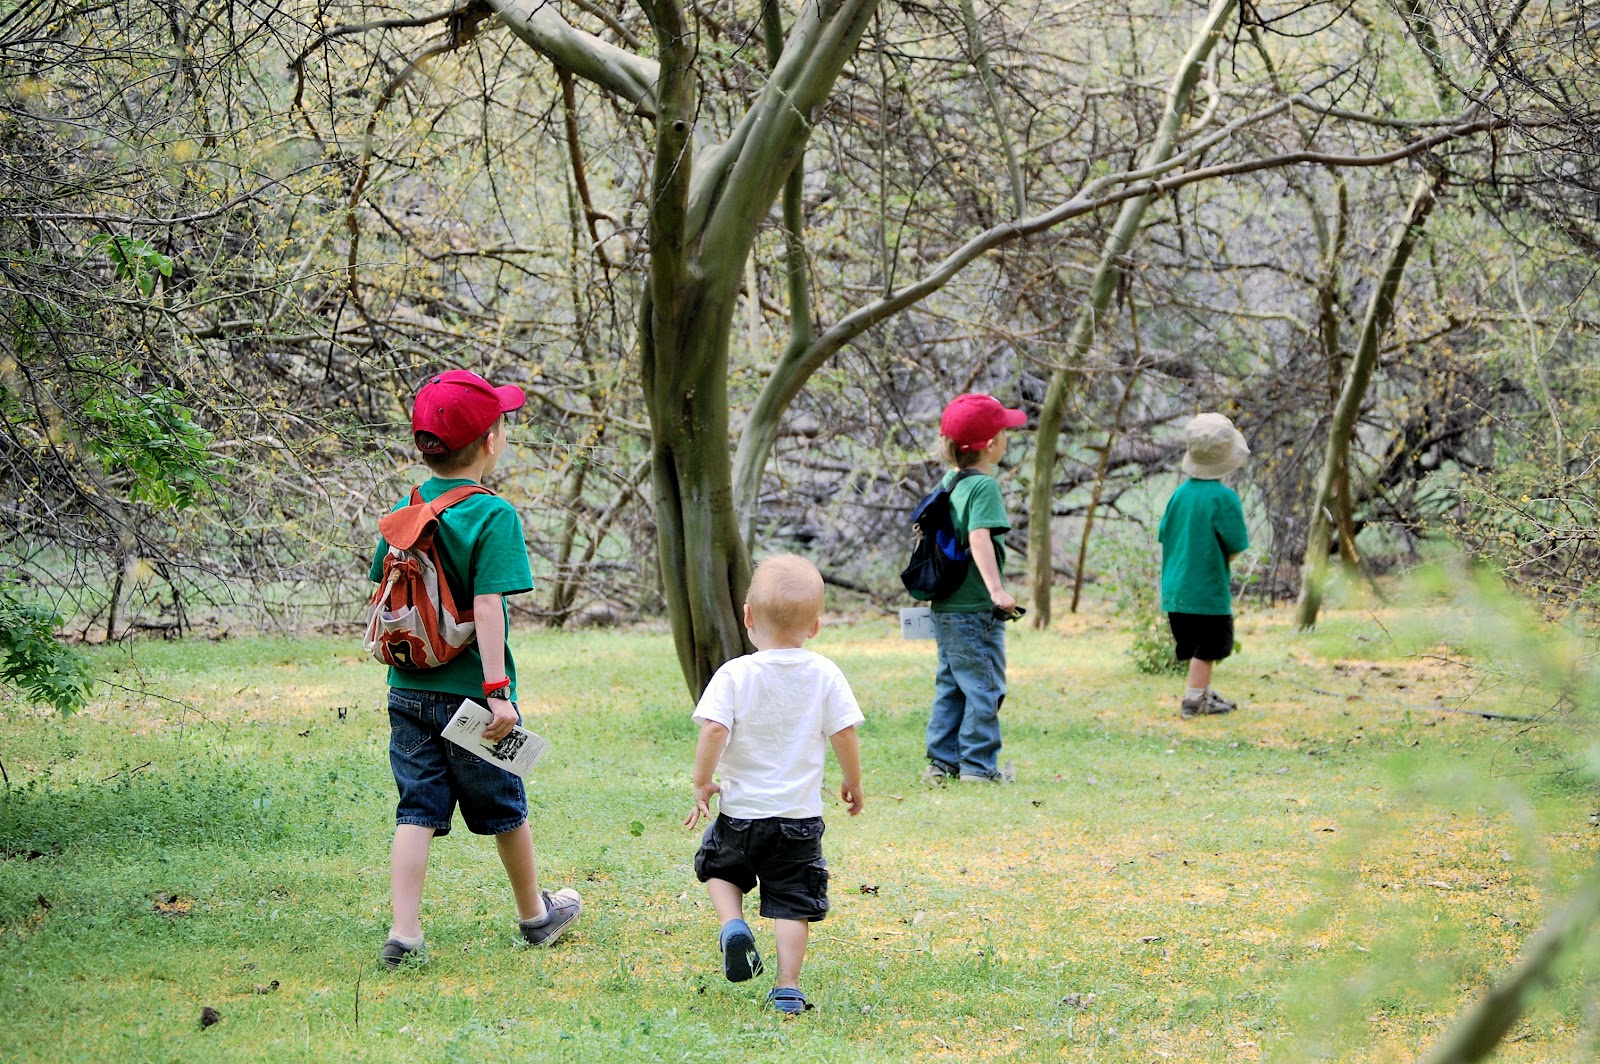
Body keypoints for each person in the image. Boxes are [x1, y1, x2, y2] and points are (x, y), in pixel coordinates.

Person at [371, 369, 582, 968]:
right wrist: (499, 693)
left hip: (406, 690)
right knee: (504, 806)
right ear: (492, 440)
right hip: (471, 697)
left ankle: (405, 933)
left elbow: (386, 594)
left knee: (417, 810)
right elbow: (488, 606)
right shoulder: (493, 516)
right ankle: (536, 915)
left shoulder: (403, 512)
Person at [683, 554, 865, 1015]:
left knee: (720, 869)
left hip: (741, 814)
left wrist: (703, 783)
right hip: (799, 821)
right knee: (791, 903)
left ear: (747, 616)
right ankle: (787, 987)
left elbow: (713, 731)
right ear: (816, 626)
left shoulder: (735, 674)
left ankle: (732, 925)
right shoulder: (824, 672)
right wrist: (852, 781)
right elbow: (844, 732)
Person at [922, 393, 1027, 785]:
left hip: (946, 605)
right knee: (984, 684)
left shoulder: (951, 481)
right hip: (974, 607)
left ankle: (942, 763)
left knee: (952, 684)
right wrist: (997, 590)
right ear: (991, 443)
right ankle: (980, 769)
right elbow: (979, 536)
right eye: (1004, 432)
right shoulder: (983, 487)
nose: (1006, 439)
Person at [1158, 412, 1251, 718]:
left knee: (1198, 646)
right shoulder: (1224, 498)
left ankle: (1204, 692)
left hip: (1176, 591)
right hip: (1207, 593)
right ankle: (1194, 699)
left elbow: (1165, 536)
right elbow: (1235, 546)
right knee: (1210, 647)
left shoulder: (1179, 495)